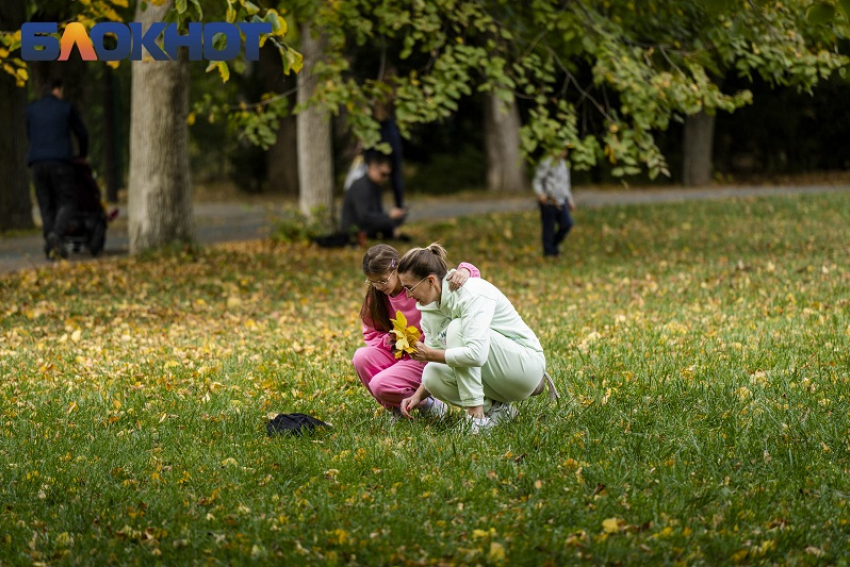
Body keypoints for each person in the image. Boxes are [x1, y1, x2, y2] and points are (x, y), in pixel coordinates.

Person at [397, 243, 558, 434]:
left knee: (456, 329)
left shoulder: (471, 292)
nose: (407, 295)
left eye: (409, 288)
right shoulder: (429, 310)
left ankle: (476, 417)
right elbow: (441, 358)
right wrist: (418, 395)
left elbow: (476, 355)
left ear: (431, 281)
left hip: (525, 369)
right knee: (431, 374)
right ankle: (498, 411)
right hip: (496, 376)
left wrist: (430, 353)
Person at [354, 244, 482, 420]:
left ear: (397, 268)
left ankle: (430, 404)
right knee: (361, 357)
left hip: (426, 354)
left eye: (382, 280)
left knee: (380, 385)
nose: (377, 286)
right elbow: (371, 333)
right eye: (372, 282)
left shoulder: (420, 284)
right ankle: (398, 408)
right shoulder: (376, 297)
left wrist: (465, 270)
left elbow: (463, 275)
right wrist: (391, 341)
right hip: (399, 353)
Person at [26, 78, 89, 260]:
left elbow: (30, 135)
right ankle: (57, 234)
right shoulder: (66, 108)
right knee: (68, 201)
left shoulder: (31, 110)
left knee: (46, 205)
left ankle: (52, 246)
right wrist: (82, 155)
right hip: (60, 162)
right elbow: (82, 133)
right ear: (58, 90)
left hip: (37, 163)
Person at [340, 152, 407, 240]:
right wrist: (388, 216)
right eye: (383, 174)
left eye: (388, 175)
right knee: (389, 221)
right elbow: (364, 217)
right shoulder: (361, 186)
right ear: (372, 169)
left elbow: (377, 212)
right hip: (356, 230)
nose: (386, 178)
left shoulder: (376, 187)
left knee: (397, 218)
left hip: (367, 225)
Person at [533, 150, 575, 258]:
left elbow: (566, 184)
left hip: (562, 201)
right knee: (548, 229)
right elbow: (537, 180)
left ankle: (552, 246)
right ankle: (549, 253)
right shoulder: (546, 162)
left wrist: (570, 199)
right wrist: (540, 193)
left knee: (567, 224)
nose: (565, 152)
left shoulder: (564, 165)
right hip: (549, 201)